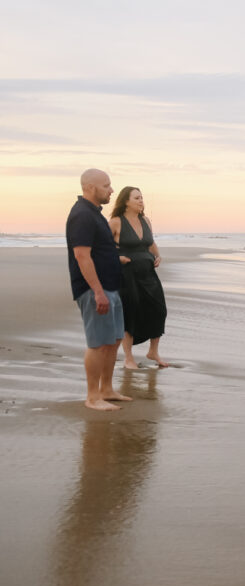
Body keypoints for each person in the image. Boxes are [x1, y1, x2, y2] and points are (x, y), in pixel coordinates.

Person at [65, 169, 132, 411]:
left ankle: (107, 389)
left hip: (110, 287)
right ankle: (93, 397)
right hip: (95, 290)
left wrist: (116, 259)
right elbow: (82, 256)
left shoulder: (95, 214)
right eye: (106, 185)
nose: (111, 190)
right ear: (91, 188)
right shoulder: (82, 215)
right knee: (97, 343)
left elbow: (99, 251)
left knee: (113, 340)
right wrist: (98, 292)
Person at [108, 186, 169, 368]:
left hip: (148, 273)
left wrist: (158, 256)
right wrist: (118, 258)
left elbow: (150, 243)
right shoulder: (115, 222)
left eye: (141, 197)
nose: (141, 201)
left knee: (159, 309)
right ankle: (128, 358)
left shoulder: (146, 221)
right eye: (136, 198)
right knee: (131, 312)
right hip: (127, 274)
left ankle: (153, 352)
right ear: (126, 201)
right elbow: (102, 248)